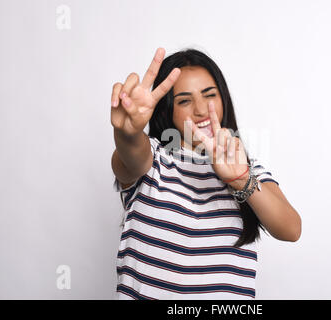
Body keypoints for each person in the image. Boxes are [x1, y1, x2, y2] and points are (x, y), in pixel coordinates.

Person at [110, 47, 302, 300]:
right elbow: (131, 154)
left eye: (209, 95)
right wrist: (129, 132)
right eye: (185, 100)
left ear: (223, 98)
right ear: (167, 109)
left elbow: (291, 229)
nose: (201, 110)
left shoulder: (246, 169)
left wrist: (239, 180)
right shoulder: (153, 160)